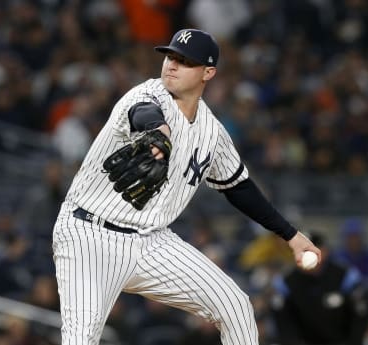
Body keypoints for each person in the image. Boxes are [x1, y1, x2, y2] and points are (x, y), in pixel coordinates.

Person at [52, 28, 321, 345]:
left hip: (153, 241)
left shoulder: (212, 131)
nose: (172, 65)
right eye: (170, 56)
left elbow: (238, 187)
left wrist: (290, 234)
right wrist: (159, 130)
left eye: (185, 61)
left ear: (208, 72)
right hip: (90, 234)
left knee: (236, 306)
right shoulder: (146, 95)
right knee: (80, 339)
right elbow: (144, 114)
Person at [271, 231, 368, 345]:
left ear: (324, 251)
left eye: (311, 249)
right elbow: (283, 323)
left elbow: (360, 316)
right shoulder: (286, 282)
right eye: (302, 250)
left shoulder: (345, 276)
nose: (306, 254)